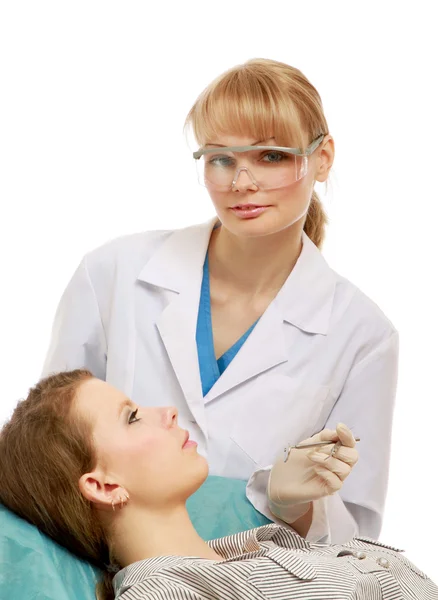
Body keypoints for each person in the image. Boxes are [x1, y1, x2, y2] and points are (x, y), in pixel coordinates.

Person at [41, 58, 398, 543]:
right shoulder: (113, 274)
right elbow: (44, 453)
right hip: (93, 570)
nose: (241, 183)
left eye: (271, 156)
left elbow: (358, 544)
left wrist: (289, 502)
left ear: (322, 158)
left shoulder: (362, 335)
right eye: (221, 158)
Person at [0, 370, 435, 600]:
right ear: (104, 485)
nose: (167, 411)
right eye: (132, 417)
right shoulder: (167, 594)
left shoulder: (262, 544)